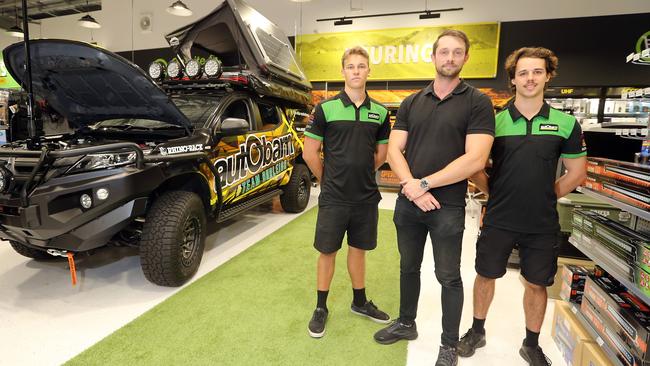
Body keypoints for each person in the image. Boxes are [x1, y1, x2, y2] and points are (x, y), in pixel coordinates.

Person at [456, 47, 587, 366]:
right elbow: (474, 167)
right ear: (513, 79)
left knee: (537, 283)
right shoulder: (495, 122)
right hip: (499, 217)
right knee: (485, 275)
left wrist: (545, 195)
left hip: (541, 223)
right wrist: (496, 192)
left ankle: (531, 344)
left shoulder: (566, 124)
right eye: (523, 72)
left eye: (537, 72)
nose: (530, 78)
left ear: (548, 76)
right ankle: (476, 331)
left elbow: (577, 172)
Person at [373, 29, 495, 366]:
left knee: (448, 276)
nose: (450, 58)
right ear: (434, 56)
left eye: (457, 52)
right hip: (409, 202)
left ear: (466, 58)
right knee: (408, 267)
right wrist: (411, 185)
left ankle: (448, 344)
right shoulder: (413, 101)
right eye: (444, 52)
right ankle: (406, 323)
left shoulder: (478, 102)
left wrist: (423, 184)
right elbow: (394, 150)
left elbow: (475, 159)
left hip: (448, 206)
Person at [303, 46, 392, 339]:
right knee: (327, 252)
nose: (356, 71)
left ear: (369, 71)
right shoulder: (325, 109)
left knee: (359, 250)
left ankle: (359, 301)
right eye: (351, 66)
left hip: (365, 197)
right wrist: (328, 178)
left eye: (361, 66)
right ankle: (320, 307)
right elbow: (310, 152)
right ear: (342, 71)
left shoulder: (380, 112)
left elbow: (381, 154)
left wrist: (363, 171)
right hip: (334, 197)